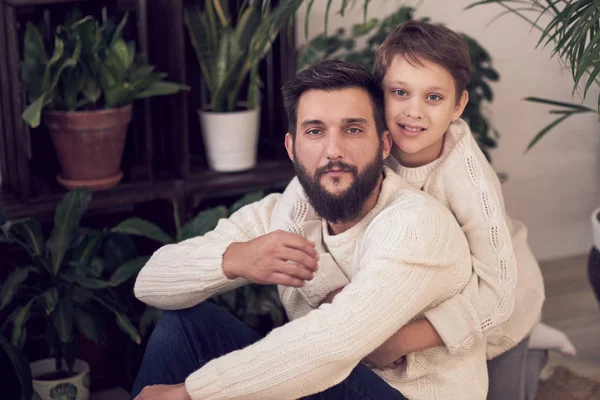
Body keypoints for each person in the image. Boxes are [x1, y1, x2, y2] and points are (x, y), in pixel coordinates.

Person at [131, 60, 489, 400]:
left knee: (303, 361)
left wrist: (191, 394)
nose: (333, 150)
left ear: (383, 145)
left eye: (352, 130)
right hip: (328, 383)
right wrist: (234, 259)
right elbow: (149, 283)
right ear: (292, 147)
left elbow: (332, 344)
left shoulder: (414, 224)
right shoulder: (282, 214)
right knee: (186, 325)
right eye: (315, 131)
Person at [272, 21, 573, 400]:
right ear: (379, 97)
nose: (413, 112)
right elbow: (290, 219)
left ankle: (533, 346)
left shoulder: (464, 175)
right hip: (426, 294)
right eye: (400, 92)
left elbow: (496, 292)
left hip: (500, 302)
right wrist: (333, 292)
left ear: (458, 105)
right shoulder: (360, 146)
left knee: (502, 384)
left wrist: (404, 340)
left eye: (433, 98)